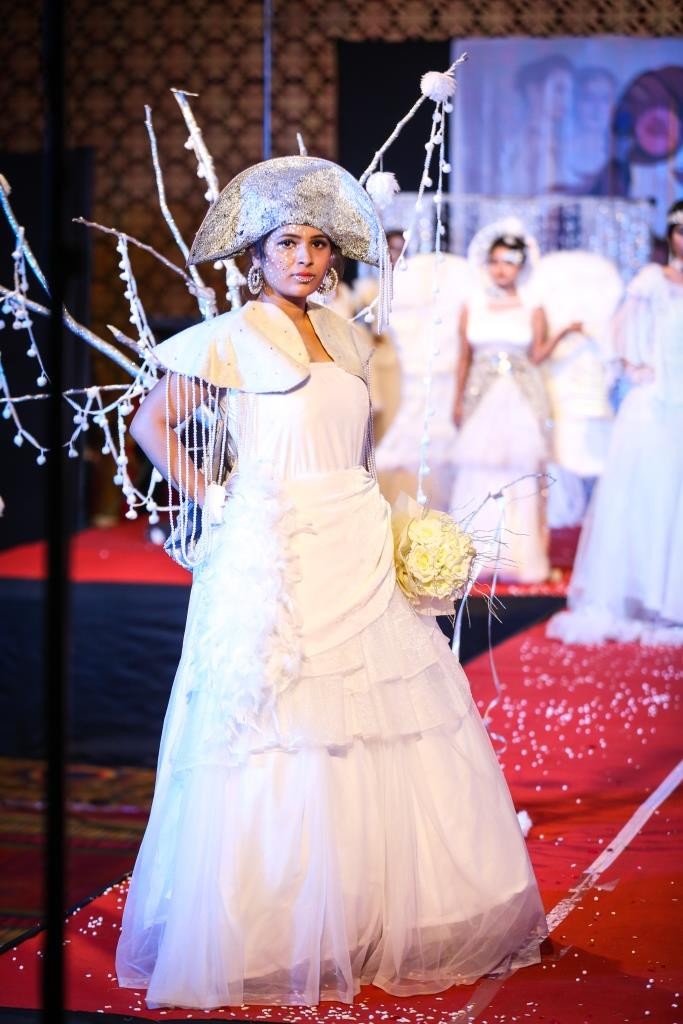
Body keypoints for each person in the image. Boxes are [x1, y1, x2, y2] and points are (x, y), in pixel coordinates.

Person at [115, 158, 547, 1011]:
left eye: (317, 245)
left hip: (354, 541)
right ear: (256, 255)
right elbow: (151, 423)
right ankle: (274, 926)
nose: (304, 258)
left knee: (388, 720)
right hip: (275, 552)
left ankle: (372, 912)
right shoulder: (223, 339)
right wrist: (216, 499)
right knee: (283, 727)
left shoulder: (350, 338)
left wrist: (400, 533)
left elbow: (360, 451)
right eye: (287, 243)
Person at [547, 200, 683, 645]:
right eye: (680, 229)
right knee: (652, 497)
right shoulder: (651, 281)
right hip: (657, 403)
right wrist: (635, 366)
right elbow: (617, 333)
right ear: (670, 235)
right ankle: (646, 594)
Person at [449, 219, 579, 583]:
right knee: (478, 470)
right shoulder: (472, 304)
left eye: (509, 261)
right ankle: (477, 554)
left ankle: (521, 557)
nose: (501, 268)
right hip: (481, 394)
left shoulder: (533, 306)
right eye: (495, 261)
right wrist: (457, 401)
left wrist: (562, 334)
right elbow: (463, 357)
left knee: (521, 474)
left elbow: (536, 355)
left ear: (521, 265)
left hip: (522, 395)